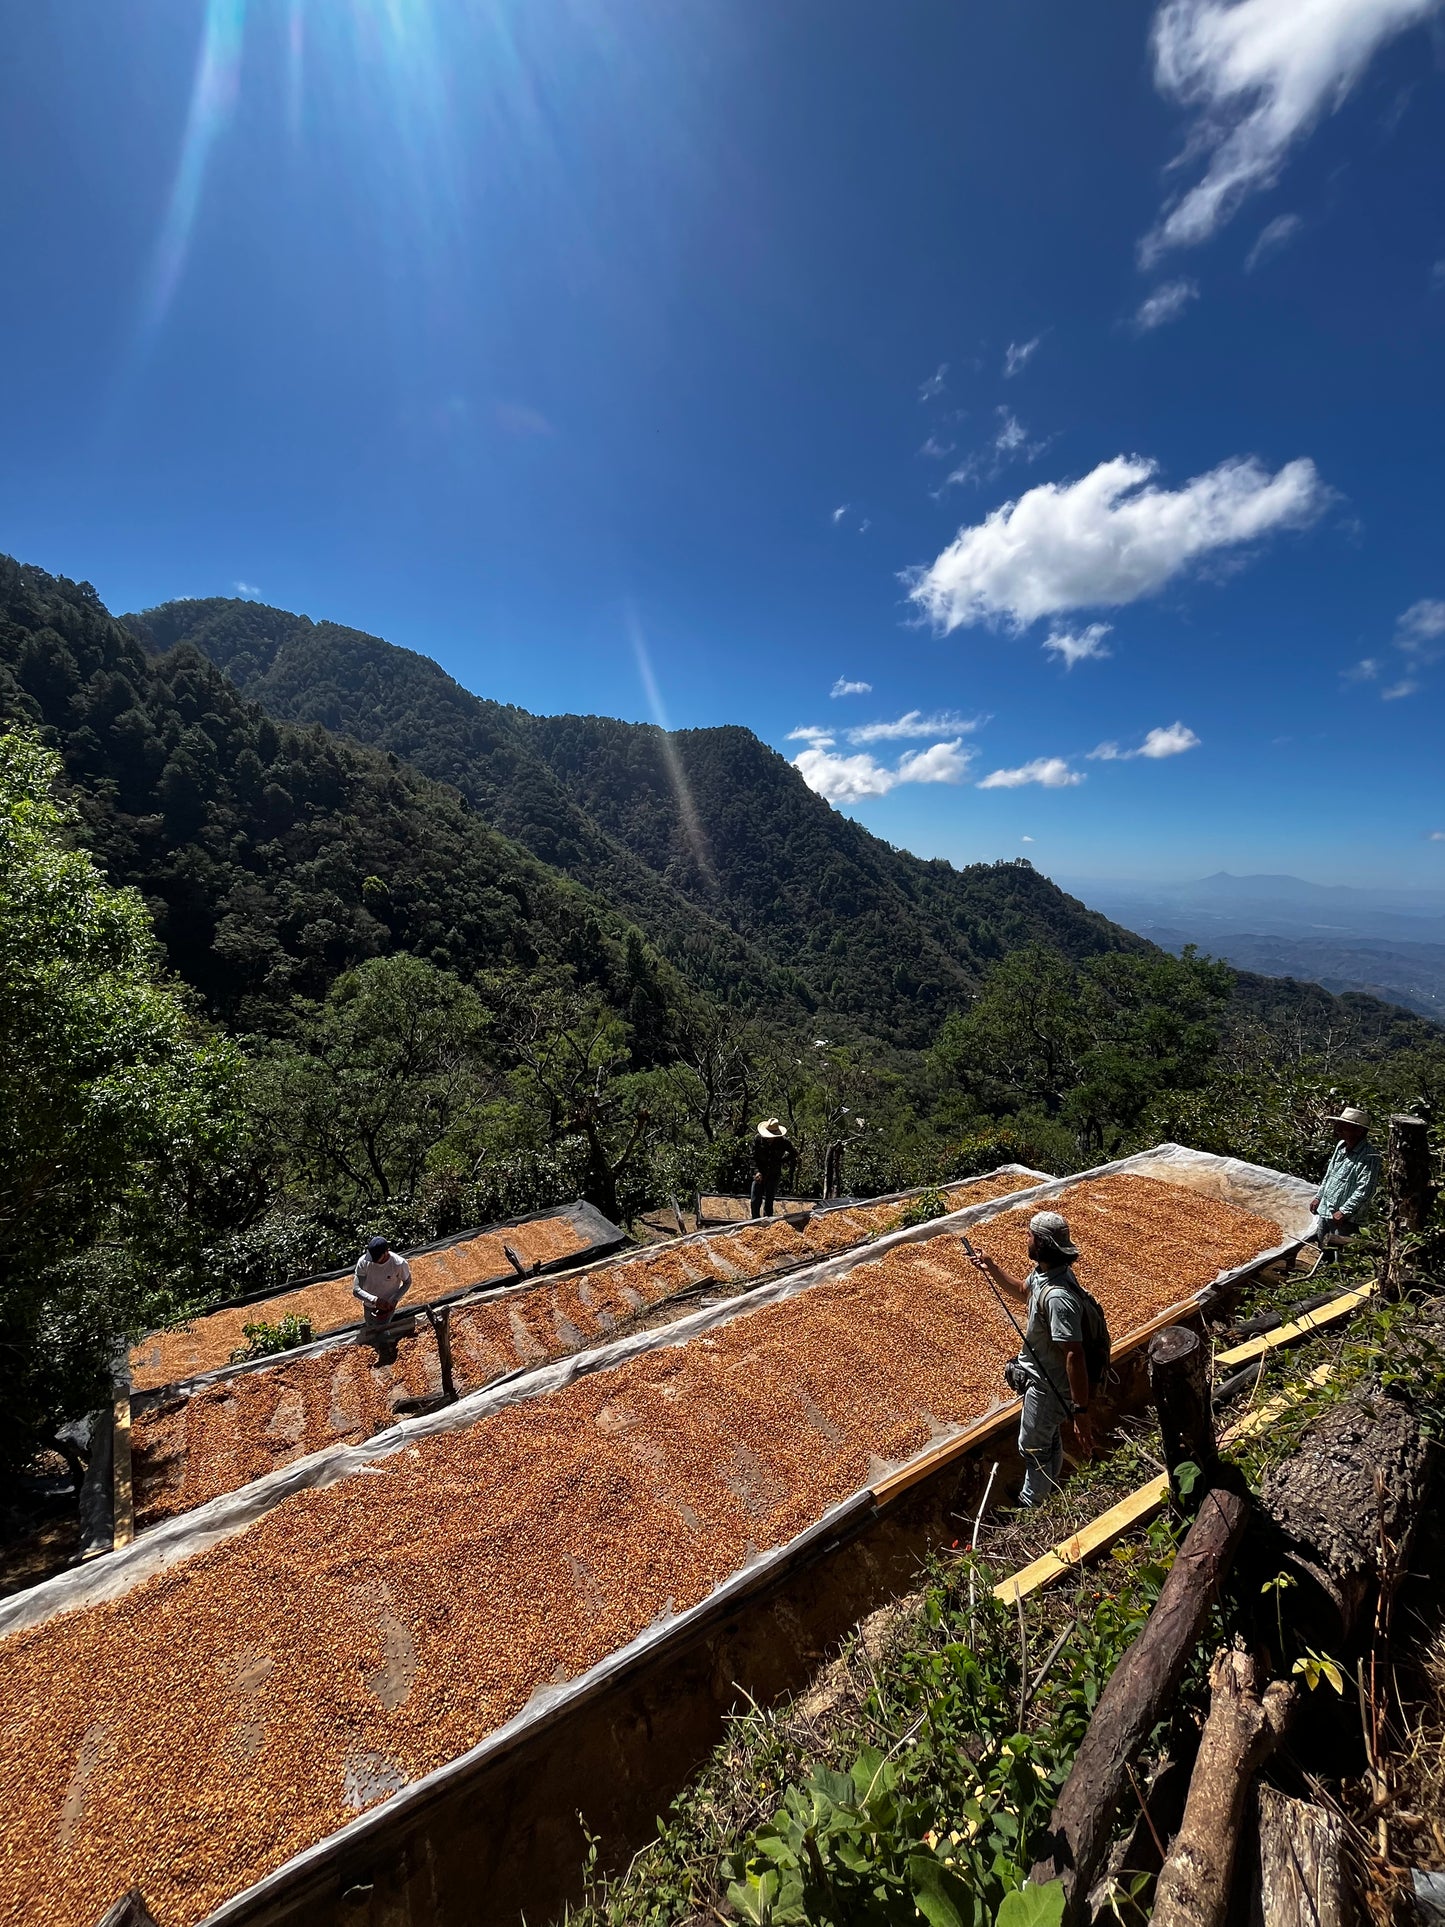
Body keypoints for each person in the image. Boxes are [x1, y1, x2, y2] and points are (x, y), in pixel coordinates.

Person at [966, 1210, 1093, 1508]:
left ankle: (1031, 1505)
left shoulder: (1059, 1297)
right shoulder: (1044, 1273)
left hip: (1050, 1386)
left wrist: (1081, 1411)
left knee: (1031, 1445)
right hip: (1043, 1377)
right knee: (1046, 1439)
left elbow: (1074, 1354)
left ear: (1043, 1242)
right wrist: (992, 1267)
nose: (1026, 1239)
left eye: (1030, 1235)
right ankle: (1048, 1490)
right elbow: (1024, 1293)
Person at [1309, 1104, 1381, 1246]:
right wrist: (1319, 1197)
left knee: (1341, 1252)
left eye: (1344, 1126)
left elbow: (1365, 1189)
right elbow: (1330, 1175)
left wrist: (1344, 1211)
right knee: (1323, 1245)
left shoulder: (1369, 1156)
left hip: (1345, 1218)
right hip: (1327, 1209)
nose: (1338, 1130)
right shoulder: (1341, 1146)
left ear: (1359, 1131)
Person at [353, 1234, 412, 1326]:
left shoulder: (398, 1263)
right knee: (370, 1327)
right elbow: (356, 1290)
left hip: (388, 1305)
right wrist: (374, 1300)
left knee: (384, 1328)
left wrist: (394, 1299)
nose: (372, 1261)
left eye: (376, 1258)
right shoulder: (364, 1262)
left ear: (386, 1253)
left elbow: (407, 1282)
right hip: (369, 1304)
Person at [750, 1118, 796, 1219]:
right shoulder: (757, 1139)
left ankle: (767, 1222)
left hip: (773, 1173)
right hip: (760, 1172)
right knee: (755, 1200)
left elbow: (793, 1153)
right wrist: (756, 1172)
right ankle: (754, 1221)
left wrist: (781, 1161)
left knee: (769, 1200)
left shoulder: (783, 1142)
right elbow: (753, 1157)